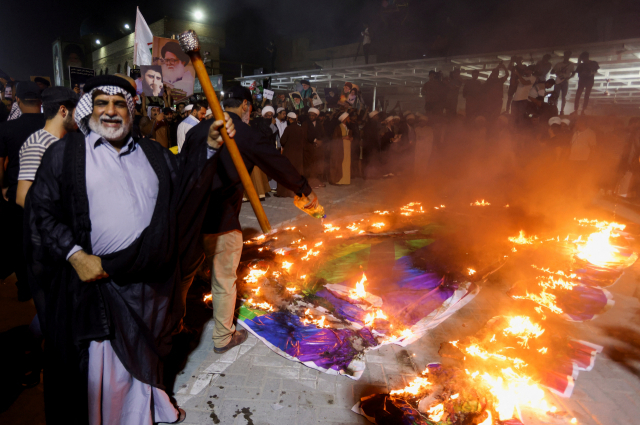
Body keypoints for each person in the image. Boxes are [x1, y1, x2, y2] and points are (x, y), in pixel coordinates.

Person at [23, 75, 231, 424]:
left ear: (131, 110)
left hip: (149, 286)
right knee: (107, 372)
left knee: (145, 359)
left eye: (119, 104)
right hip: (99, 287)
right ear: (89, 109)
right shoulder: (67, 153)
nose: (111, 111)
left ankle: (142, 414)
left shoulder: (152, 152)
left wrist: (209, 147)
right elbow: (41, 211)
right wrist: (75, 254)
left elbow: (185, 193)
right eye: (102, 103)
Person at [179, 85, 318, 354]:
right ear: (245, 105)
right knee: (223, 279)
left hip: (191, 219)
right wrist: (304, 188)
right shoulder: (243, 134)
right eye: (249, 107)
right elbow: (275, 163)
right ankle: (223, 337)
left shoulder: (197, 130)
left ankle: (174, 327)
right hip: (222, 220)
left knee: (184, 278)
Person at [0, 81, 44, 301]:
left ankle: (25, 286)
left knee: (19, 243)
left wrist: (4, 187)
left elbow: (0, 165)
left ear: (17, 100)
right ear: (40, 100)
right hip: (49, 194)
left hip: (18, 194)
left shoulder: (7, 128)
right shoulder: (53, 124)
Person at [16, 87, 78, 208]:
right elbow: (23, 197)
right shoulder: (38, 144)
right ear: (63, 111)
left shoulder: (67, 139)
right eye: (78, 111)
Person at [277, 112, 305, 197]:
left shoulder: (288, 129)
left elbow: (282, 141)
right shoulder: (301, 129)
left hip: (289, 154)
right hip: (299, 154)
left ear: (290, 119)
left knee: (287, 172)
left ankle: (285, 192)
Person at [301, 107, 326, 188]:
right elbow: (305, 135)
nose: (311, 117)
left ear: (316, 116)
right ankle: (310, 183)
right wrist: (315, 140)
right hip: (309, 149)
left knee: (318, 166)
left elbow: (323, 134)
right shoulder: (305, 123)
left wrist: (320, 142)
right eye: (310, 115)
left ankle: (318, 182)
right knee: (309, 167)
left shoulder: (319, 124)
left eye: (313, 115)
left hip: (318, 149)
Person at [329, 112, 351, 185]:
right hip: (340, 148)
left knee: (347, 163)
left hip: (347, 148)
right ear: (344, 119)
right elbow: (335, 138)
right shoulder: (338, 127)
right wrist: (344, 137)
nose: (349, 119)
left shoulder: (347, 127)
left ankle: (346, 180)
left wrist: (351, 138)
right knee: (341, 163)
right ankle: (340, 181)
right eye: (348, 118)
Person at [551, 51, 576, 115]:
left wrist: (569, 77)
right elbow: (552, 71)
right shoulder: (559, 64)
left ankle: (561, 110)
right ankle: (556, 109)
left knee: (563, 96)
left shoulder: (570, 65)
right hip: (560, 81)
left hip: (563, 81)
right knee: (557, 96)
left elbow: (573, 72)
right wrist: (556, 72)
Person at [362, 111, 381, 178]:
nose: (378, 117)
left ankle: (372, 174)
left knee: (372, 160)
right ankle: (368, 175)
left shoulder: (373, 124)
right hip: (370, 146)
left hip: (371, 145)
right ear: (373, 117)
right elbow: (371, 136)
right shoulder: (370, 125)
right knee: (370, 160)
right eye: (377, 116)